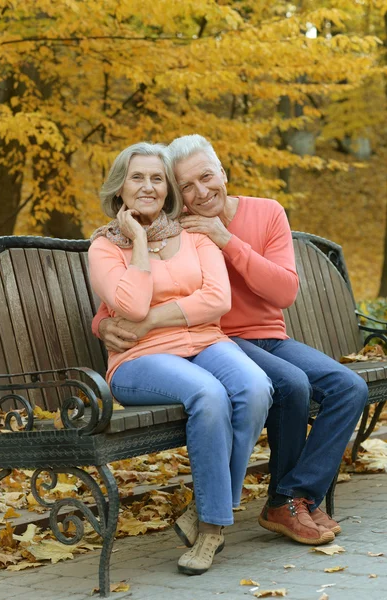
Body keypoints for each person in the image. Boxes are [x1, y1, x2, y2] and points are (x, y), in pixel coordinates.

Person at [93, 134, 369, 549]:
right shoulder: (178, 223)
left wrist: (227, 240)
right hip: (219, 341)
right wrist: (102, 323)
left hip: (262, 338)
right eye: (186, 186)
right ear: (176, 193)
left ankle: (294, 495)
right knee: (290, 385)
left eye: (207, 177)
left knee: (350, 388)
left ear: (223, 172)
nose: (200, 192)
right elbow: (130, 289)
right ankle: (284, 504)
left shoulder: (261, 213)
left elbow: (284, 293)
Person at [88, 141, 274, 576]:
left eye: (157, 178)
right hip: (140, 359)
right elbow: (129, 307)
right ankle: (211, 528)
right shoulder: (103, 247)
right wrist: (136, 240)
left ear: (167, 188)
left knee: (254, 386)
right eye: (138, 178)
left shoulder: (193, 233)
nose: (149, 187)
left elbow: (218, 298)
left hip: (206, 341)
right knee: (209, 395)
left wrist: (155, 317)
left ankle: (210, 505)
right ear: (120, 189)